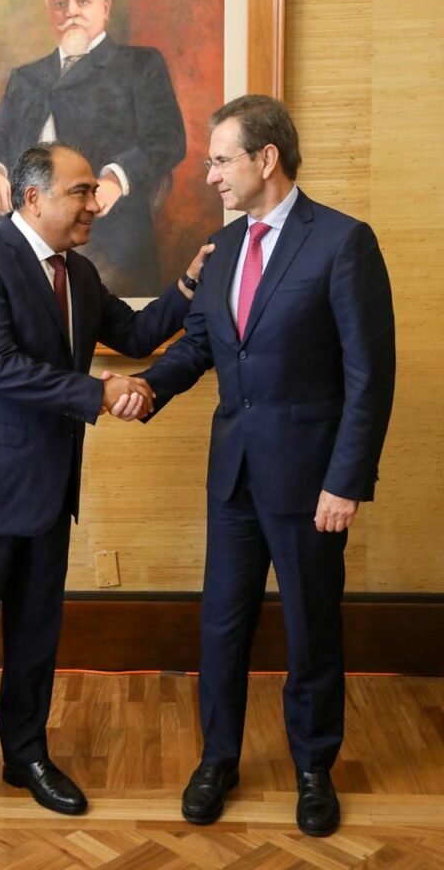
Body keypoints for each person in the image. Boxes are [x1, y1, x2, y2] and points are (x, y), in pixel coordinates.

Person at [0, 141, 212, 845]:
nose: (94, 204)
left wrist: (188, 286)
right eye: (81, 192)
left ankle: (25, 755)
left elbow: (135, 333)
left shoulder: (78, 272)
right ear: (33, 198)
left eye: (92, 191)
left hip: (49, 486)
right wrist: (99, 392)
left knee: (35, 635)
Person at [134, 95, 396, 837]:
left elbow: (369, 375)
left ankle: (314, 768)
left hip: (312, 483)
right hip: (234, 477)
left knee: (312, 627)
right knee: (221, 624)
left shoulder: (342, 242)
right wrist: (147, 388)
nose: (210, 175)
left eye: (221, 160)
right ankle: (217, 759)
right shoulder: (221, 249)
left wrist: (346, 480)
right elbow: (200, 346)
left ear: (266, 158)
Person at [0, 0, 186, 296]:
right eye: (60, 3)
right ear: (50, 14)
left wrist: (116, 178)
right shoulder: (27, 77)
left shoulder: (138, 65)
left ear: (105, 8)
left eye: (82, 1)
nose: (71, 11)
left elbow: (166, 138)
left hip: (103, 220)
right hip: (24, 217)